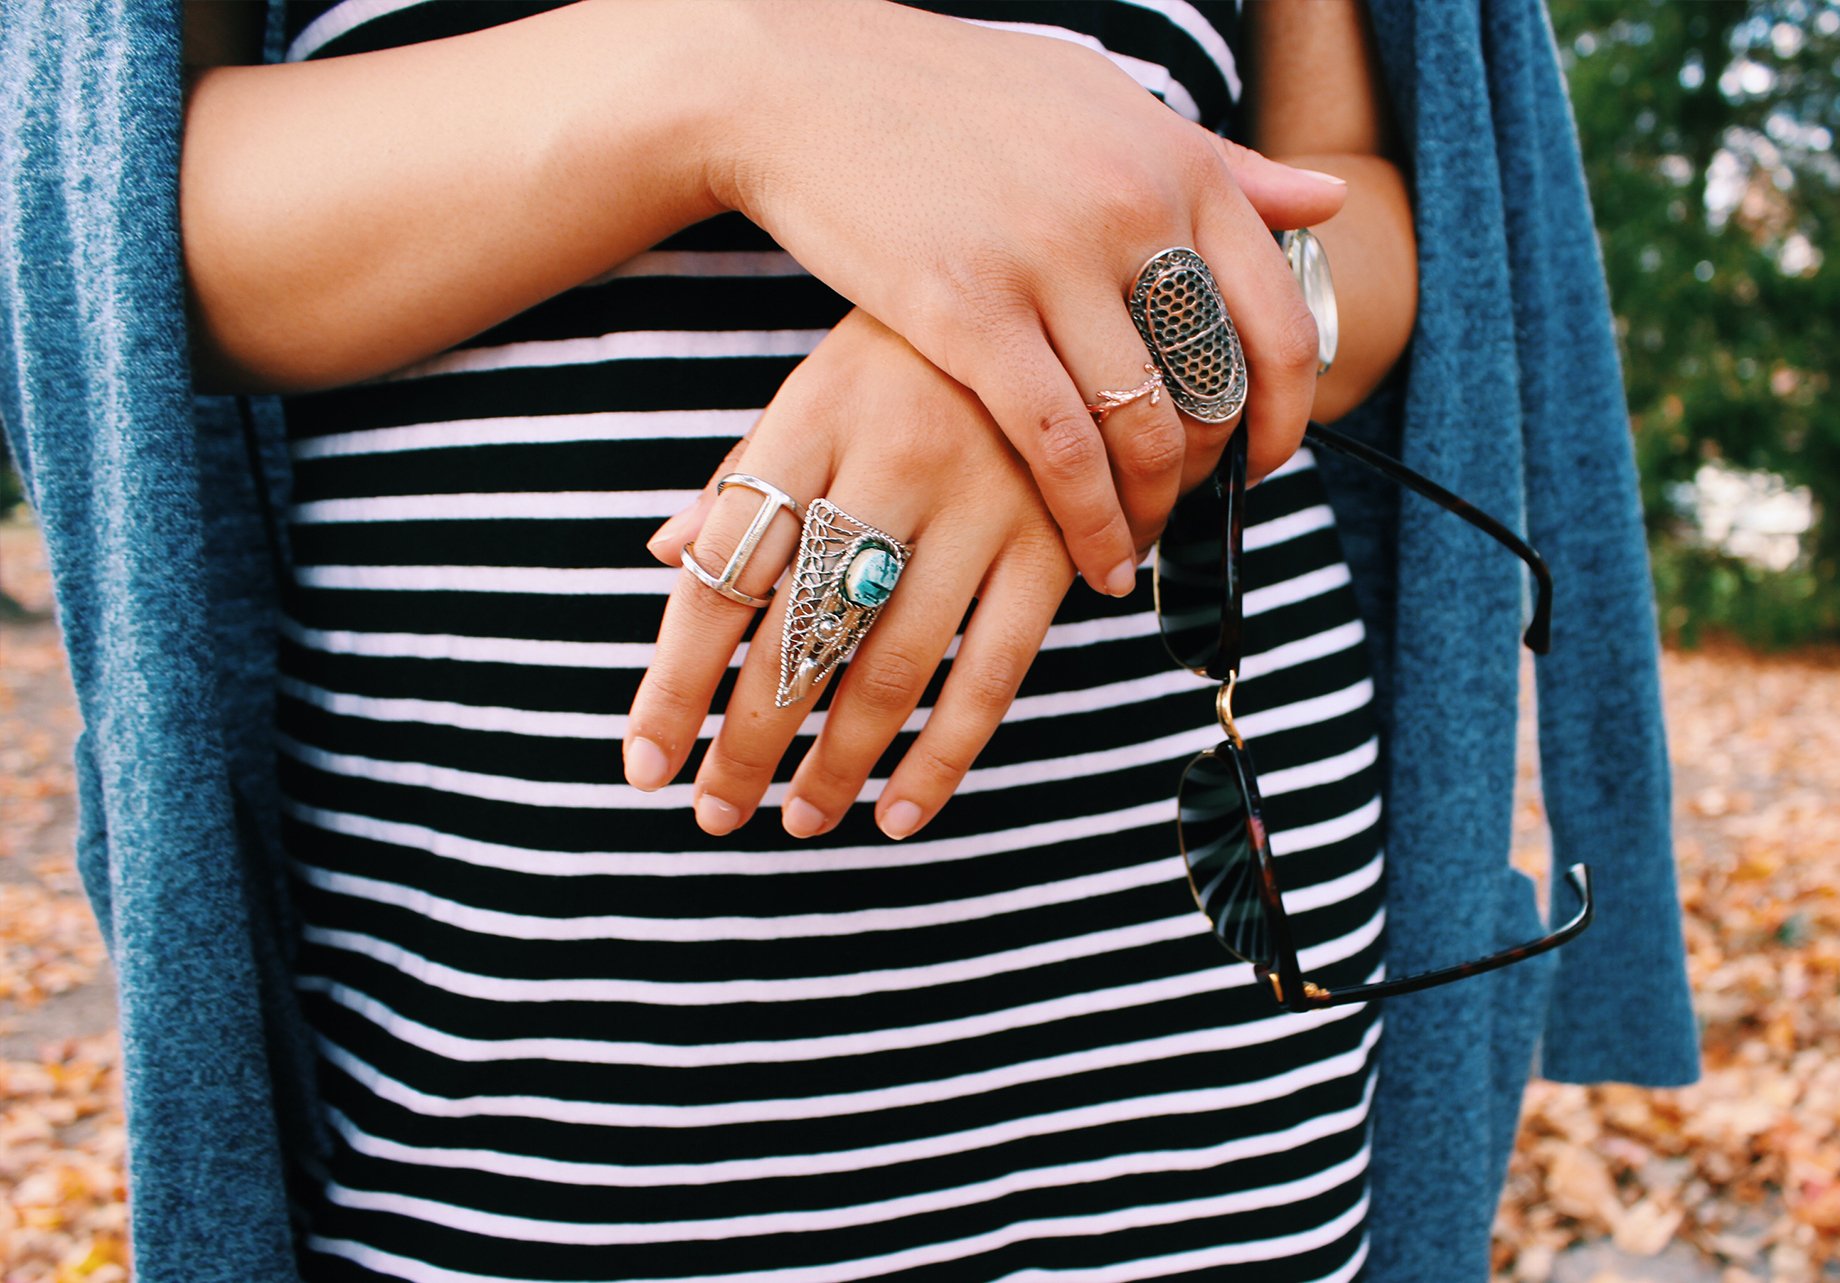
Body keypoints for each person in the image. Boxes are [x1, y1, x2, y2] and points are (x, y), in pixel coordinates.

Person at [0, 2, 1701, 1281]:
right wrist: (740, 86)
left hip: (1188, 1011)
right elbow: (121, 226)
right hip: (541, 1051)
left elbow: (1376, 220)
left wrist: (1075, 351)